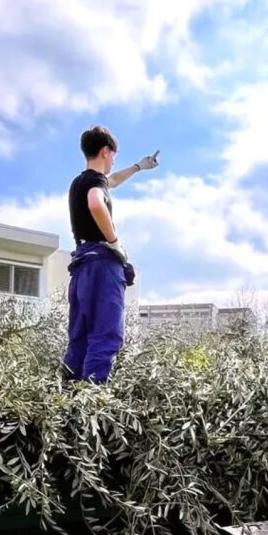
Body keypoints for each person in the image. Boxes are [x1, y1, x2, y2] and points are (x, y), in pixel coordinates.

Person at [63, 126, 159, 383]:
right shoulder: (94, 184)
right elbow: (96, 202)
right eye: (114, 155)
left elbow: (112, 181)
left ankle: (70, 401)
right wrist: (114, 242)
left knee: (80, 339)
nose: (114, 160)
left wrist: (139, 166)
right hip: (101, 264)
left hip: (82, 265)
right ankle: (93, 402)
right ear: (105, 151)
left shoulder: (79, 182)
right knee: (105, 336)